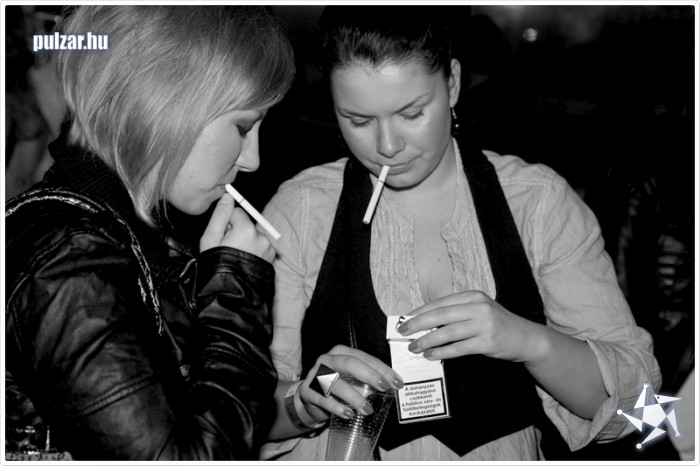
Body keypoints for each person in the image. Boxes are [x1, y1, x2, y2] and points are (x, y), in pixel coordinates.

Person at [259, 6, 661, 461]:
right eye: (358, 120)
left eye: (412, 113)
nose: (387, 146)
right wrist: (304, 403)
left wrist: (527, 341)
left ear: (452, 83)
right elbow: (240, 404)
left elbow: (642, 411)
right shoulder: (303, 209)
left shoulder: (538, 203)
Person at [5, 5, 295, 460]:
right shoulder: (68, 259)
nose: (251, 159)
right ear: (165, 103)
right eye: (243, 126)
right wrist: (235, 296)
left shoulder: (127, 238)